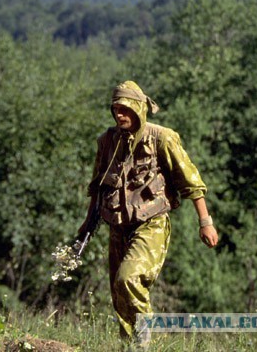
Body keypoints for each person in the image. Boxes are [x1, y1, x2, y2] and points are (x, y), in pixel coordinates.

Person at [78, 80, 219, 350]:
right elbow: (97, 187)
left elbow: (191, 182)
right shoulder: (107, 142)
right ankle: (131, 346)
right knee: (119, 293)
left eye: (126, 109)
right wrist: (87, 223)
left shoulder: (162, 138)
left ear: (140, 109)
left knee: (128, 278)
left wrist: (205, 222)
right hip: (118, 226)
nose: (120, 114)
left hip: (151, 224)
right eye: (116, 108)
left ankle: (147, 341)